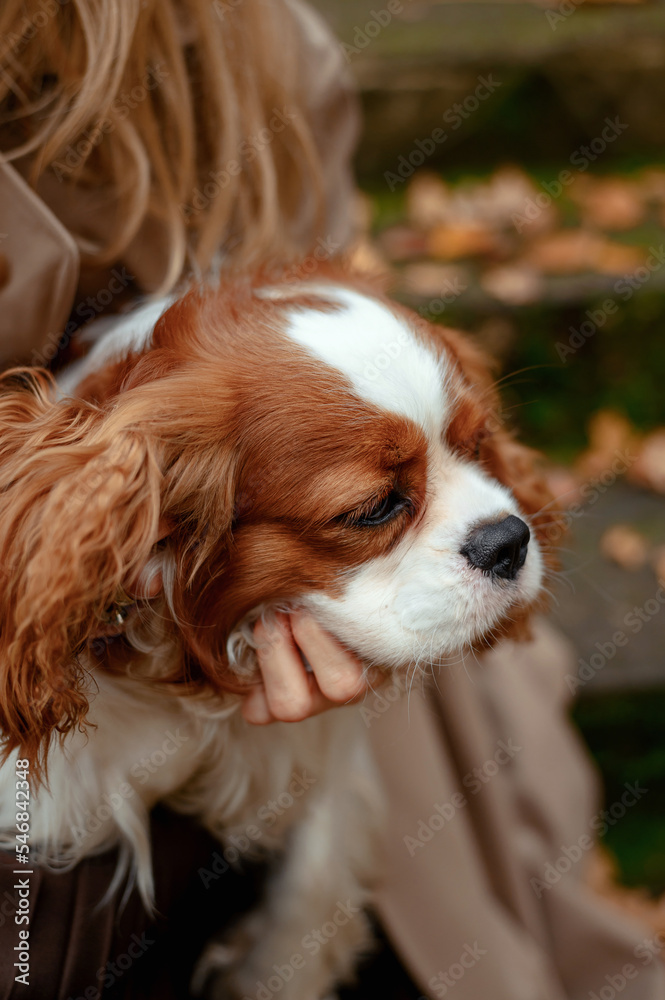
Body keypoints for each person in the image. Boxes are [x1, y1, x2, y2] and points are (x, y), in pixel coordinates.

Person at [0, 2, 662, 998]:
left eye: (473, 454)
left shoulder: (264, 47)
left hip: (313, 743)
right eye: (375, 508)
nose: (499, 516)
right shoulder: (124, 501)